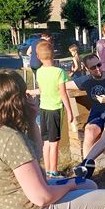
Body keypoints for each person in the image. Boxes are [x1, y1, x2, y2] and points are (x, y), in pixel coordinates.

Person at [0, 70, 105, 209]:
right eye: (25, 94)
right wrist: (70, 184)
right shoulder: (10, 138)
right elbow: (42, 197)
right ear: (16, 101)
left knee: (90, 185)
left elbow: (37, 158)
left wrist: (33, 121)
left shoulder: (5, 130)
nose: (28, 97)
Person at [65, 53, 105, 177]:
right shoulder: (86, 80)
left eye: (99, 64)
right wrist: (34, 91)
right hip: (98, 113)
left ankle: (84, 165)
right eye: (93, 67)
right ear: (87, 69)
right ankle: (87, 171)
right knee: (89, 130)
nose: (98, 68)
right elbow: (62, 85)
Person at [26, 41, 73, 178]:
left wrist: (31, 91)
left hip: (43, 110)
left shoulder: (39, 72)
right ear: (53, 54)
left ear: (38, 56)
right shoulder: (59, 72)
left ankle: (47, 171)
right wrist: (70, 112)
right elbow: (63, 94)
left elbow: (41, 90)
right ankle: (53, 171)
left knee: (46, 143)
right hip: (55, 110)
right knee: (54, 144)